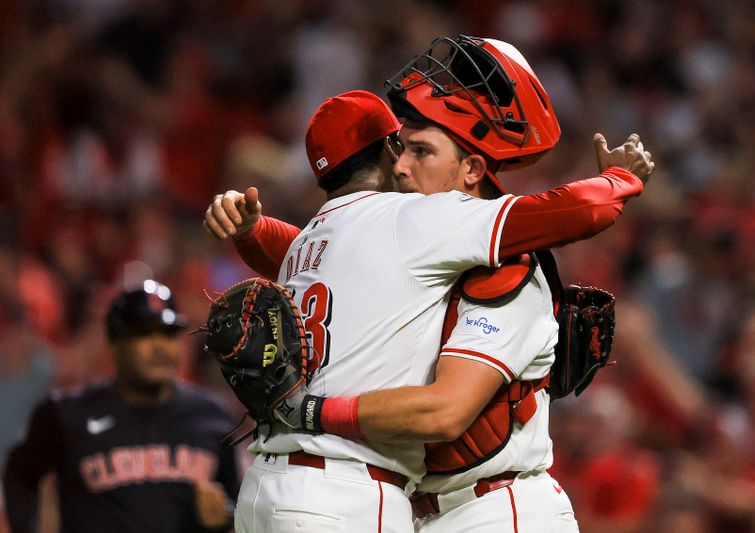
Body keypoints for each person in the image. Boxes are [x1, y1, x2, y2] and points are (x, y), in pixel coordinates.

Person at [204, 37, 652, 532]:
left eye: (421, 151)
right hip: (412, 509)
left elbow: (444, 413)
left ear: (471, 170)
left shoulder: (502, 265)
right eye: (401, 147)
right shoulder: (415, 240)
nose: (400, 165)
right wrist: (252, 231)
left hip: (495, 510)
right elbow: (332, 252)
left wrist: (313, 413)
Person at [3, 280, 240, 533]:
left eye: (168, 334)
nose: (159, 346)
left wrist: (225, 518)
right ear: (115, 344)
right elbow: (20, 476)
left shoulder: (214, 417)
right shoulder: (68, 413)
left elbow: (237, 506)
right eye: (144, 334)